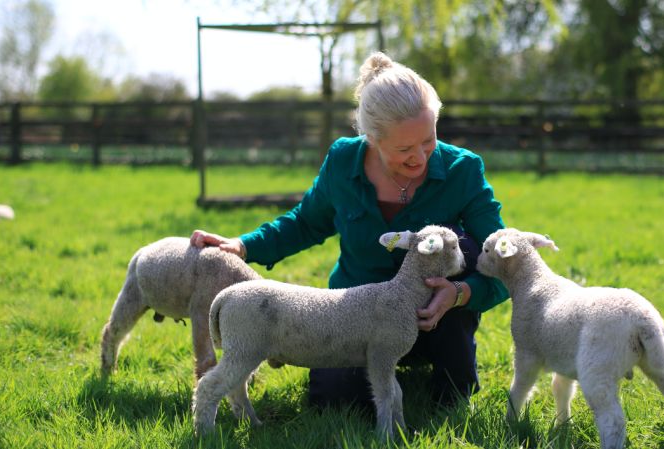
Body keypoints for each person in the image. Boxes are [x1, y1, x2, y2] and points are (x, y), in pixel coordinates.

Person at [191, 52, 508, 408]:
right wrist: (243, 246)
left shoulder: (463, 170)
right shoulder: (343, 161)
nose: (420, 157)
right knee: (336, 401)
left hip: (436, 315)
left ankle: (443, 363)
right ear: (372, 138)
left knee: (455, 245)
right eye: (404, 148)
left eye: (428, 141)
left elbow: (503, 261)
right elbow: (305, 222)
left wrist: (460, 292)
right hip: (350, 316)